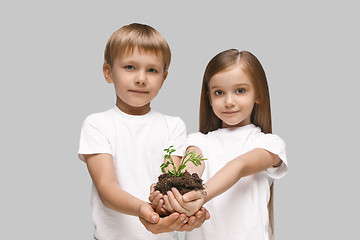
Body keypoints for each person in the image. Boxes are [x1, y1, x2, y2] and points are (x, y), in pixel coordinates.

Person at [78, 23, 208, 240]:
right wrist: (141, 208)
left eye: (152, 70)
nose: (141, 78)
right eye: (130, 67)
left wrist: (168, 204)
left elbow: (172, 180)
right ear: (108, 73)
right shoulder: (98, 124)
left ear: (163, 79)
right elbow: (106, 188)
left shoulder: (173, 125)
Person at [151, 49, 288, 240]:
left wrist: (202, 195)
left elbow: (239, 166)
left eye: (240, 90)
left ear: (258, 94)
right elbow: (192, 167)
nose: (229, 101)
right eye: (219, 92)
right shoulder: (197, 140)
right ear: (209, 98)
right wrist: (173, 195)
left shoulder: (269, 144)